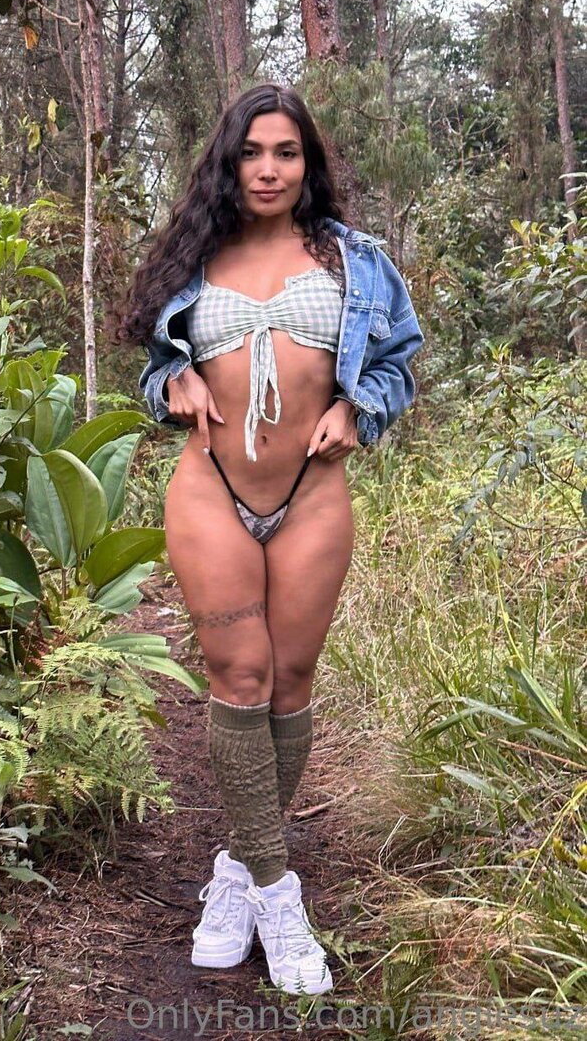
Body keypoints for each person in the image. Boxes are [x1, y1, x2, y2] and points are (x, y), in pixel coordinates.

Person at [109, 82, 425, 996]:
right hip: (210, 490)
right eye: (252, 152)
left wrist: (361, 412)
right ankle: (280, 898)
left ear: (307, 162)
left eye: (286, 151)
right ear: (228, 161)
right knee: (240, 677)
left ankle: (237, 870)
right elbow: (157, 365)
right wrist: (171, 382)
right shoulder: (196, 257)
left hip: (312, 495)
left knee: (289, 681)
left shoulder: (354, 260)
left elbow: (399, 355)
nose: (268, 169)